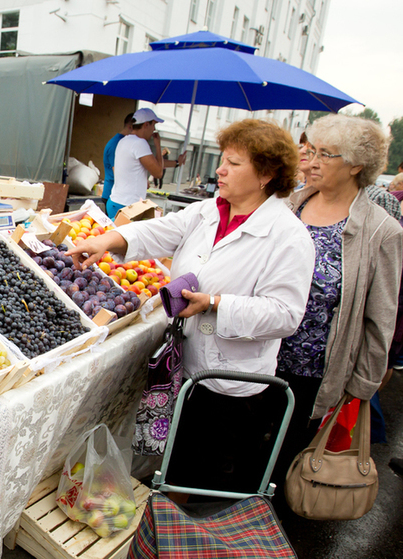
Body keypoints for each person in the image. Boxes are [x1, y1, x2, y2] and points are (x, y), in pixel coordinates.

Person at [68, 119, 315, 493]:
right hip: (187, 366)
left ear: (266, 174)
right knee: (176, 463)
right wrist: (109, 240)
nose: (220, 169)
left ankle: (191, 533)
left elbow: (285, 315)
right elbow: (159, 231)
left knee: (207, 476)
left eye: (233, 163)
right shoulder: (209, 212)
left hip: (230, 384)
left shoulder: (288, 237)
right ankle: (169, 524)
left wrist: (214, 304)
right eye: (223, 159)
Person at [273, 114, 403, 492]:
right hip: (258, 354)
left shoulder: (382, 231)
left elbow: (382, 317)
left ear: (356, 166)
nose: (310, 162)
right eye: (310, 151)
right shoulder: (288, 205)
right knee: (241, 453)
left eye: (325, 155)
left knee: (286, 463)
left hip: (314, 372)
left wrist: (362, 387)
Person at [106, 108, 186, 219]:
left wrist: (177, 163)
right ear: (146, 124)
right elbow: (158, 172)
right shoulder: (140, 143)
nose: (154, 130)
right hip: (127, 206)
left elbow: (152, 163)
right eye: (154, 125)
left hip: (116, 201)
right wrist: (158, 145)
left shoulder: (124, 141)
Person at [101, 113, 134, 207]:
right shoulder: (117, 144)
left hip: (116, 196)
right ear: (130, 127)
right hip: (112, 196)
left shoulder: (122, 142)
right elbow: (118, 172)